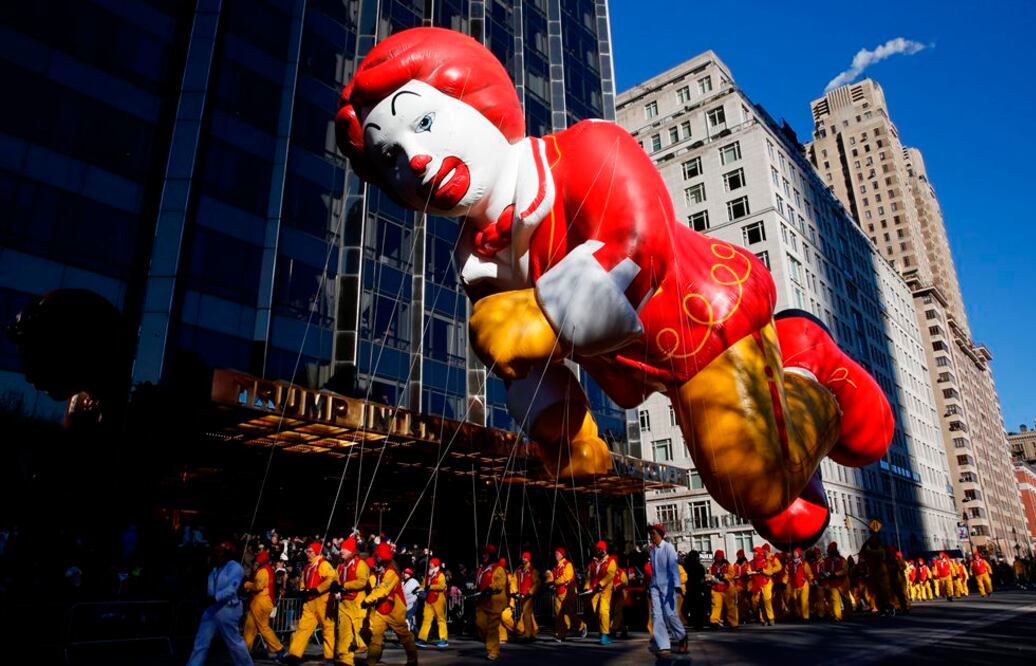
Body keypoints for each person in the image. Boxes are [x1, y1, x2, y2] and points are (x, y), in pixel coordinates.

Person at [335, 26, 895, 554]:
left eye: (424, 123)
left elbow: (637, 246)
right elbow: (524, 367)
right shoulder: (476, 264)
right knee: (788, 514)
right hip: (636, 369)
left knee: (756, 482)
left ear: (476, 101)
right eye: (391, 158)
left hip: (705, 319)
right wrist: (564, 432)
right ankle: (781, 456)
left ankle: (805, 358)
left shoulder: (587, 150)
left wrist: (541, 317)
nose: (416, 160)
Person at [186, 541, 253, 666]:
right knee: (200, 642)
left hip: (228, 608)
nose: (216, 554)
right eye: (215, 551)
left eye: (219, 552)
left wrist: (214, 598)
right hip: (212, 609)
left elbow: (231, 590)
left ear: (227, 553)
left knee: (234, 643)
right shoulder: (215, 569)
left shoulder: (235, 567)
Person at [363, 543, 419, 666]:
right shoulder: (381, 569)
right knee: (376, 637)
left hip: (395, 609)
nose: (375, 557)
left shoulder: (391, 571)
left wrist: (368, 600)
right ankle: (370, 661)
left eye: (377, 555)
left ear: (382, 556)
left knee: (404, 636)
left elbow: (384, 589)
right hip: (382, 608)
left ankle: (412, 660)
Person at [286, 542, 337, 663]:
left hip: (323, 601)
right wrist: (303, 590)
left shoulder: (324, 564)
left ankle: (329, 656)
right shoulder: (308, 566)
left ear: (316, 552)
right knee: (303, 628)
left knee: (328, 629)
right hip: (310, 602)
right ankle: (294, 654)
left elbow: (332, 578)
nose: (307, 554)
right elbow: (303, 581)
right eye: (307, 551)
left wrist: (318, 589)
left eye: (310, 551)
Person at [647, 524, 687, 657]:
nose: (652, 536)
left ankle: (682, 636)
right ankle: (663, 645)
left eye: (654, 533)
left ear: (660, 534)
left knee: (670, 615)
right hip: (655, 587)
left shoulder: (668, 547)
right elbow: (654, 571)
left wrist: (677, 585)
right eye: (651, 534)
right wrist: (650, 587)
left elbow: (673, 567)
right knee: (656, 616)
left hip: (668, 587)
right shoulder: (652, 551)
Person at [242, 550, 285, 659]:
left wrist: (247, 584)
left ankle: (279, 648)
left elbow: (258, 586)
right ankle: (244, 652)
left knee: (263, 628)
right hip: (263, 601)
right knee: (249, 628)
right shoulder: (269, 569)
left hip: (260, 602)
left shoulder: (263, 571)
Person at [334, 536, 370, 666]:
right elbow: (336, 579)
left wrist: (345, 586)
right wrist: (335, 587)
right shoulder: (340, 566)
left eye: (344, 549)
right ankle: (346, 660)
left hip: (357, 603)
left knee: (358, 630)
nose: (341, 551)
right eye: (341, 549)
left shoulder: (361, 564)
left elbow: (362, 582)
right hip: (344, 603)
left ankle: (369, 648)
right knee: (344, 633)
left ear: (351, 551)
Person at [474, 544, 508, 661]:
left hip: (495, 602)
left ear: (492, 555)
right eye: (483, 553)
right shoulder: (482, 569)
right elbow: (479, 583)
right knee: (480, 624)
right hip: (483, 602)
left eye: (486, 554)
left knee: (492, 628)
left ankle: (493, 651)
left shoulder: (498, 568)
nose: (484, 556)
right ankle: (489, 642)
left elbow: (500, 583)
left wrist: (491, 588)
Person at [550, 546, 586, 642]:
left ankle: (582, 626)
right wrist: (550, 582)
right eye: (555, 553)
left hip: (568, 593)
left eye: (557, 553)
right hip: (558, 593)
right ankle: (560, 634)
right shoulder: (555, 567)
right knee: (559, 614)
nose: (555, 555)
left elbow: (567, 577)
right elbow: (553, 579)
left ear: (562, 555)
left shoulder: (567, 564)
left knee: (571, 614)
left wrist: (555, 582)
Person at [585, 540, 618, 645]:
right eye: (598, 549)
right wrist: (587, 586)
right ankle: (597, 629)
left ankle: (605, 634)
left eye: (601, 549)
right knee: (592, 609)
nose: (600, 551)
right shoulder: (593, 562)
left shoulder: (611, 561)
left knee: (603, 611)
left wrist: (601, 584)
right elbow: (589, 575)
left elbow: (610, 575)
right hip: (595, 589)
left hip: (605, 590)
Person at [418, 557, 449, 648]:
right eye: (430, 563)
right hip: (429, 600)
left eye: (432, 563)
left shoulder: (440, 575)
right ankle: (422, 639)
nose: (430, 564)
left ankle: (443, 639)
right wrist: (418, 589)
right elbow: (424, 585)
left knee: (440, 620)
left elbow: (442, 586)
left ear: (436, 565)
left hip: (438, 599)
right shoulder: (428, 575)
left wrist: (431, 587)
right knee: (426, 620)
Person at [513, 552, 542, 641]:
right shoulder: (519, 570)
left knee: (526, 614)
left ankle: (528, 635)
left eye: (525, 558)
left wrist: (530, 593)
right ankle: (533, 633)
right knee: (528, 614)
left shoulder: (533, 570)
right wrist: (515, 592)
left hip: (529, 596)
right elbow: (514, 580)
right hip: (521, 595)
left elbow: (537, 582)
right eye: (523, 558)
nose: (523, 559)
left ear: (529, 559)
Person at [708, 549, 738, 629]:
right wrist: (710, 579)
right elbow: (710, 575)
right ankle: (714, 621)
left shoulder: (728, 565)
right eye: (717, 556)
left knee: (730, 606)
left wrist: (723, 576)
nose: (718, 558)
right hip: (716, 588)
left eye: (720, 557)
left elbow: (732, 574)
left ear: (722, 557)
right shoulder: (712, 566)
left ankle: (733, 623)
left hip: (727, 588)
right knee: (716, 605)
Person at [821, 542, 848, 621]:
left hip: (842, 582)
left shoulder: (842, 560)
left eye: (830, 552)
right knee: (835, 599)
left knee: (846, 599)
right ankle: (838, 616)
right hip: (833, 583)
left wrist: (836, 574)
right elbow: (824, 570)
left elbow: (845, 570)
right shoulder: (827, 560)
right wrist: (825, 574)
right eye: (829, 552)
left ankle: (848, 613)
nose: (829, 553)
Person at [788, 547, 813, 621]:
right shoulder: (790, 563)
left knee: (804, 600)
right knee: (795, 601)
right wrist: (785, 582)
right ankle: (798, 615)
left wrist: (811, 581)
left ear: (799, 554)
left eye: (796, 553)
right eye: (794, 553)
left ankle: (805, 617)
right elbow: (787, 573)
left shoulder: (804, 563)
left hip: (804, 584)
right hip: (794, 585)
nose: (794, 554)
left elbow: (809, 573)